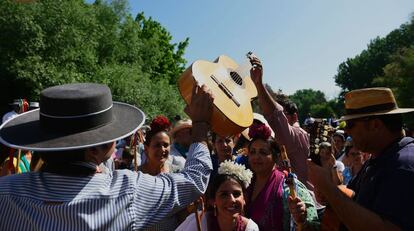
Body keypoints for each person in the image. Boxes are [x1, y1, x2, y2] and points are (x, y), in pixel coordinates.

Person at [0, 82, 214, 230]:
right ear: (94, 150)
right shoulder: (127, 191)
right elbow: (194, 181)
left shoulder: (6, 192)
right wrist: (201, 125)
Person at [307, 87, 414, 231]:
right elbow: (352, 196)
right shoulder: (379, 158)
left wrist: (327, 187)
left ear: (375, 125)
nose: (346, 131)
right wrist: (328, 179)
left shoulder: (404, 165)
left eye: (351, 124)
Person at [249, 57, 311, 189]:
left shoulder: (298, 134)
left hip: (301, 203)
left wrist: (259, 84)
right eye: (253, 152)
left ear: (294, 116)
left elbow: (276, 118)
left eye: (284, 116)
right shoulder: (276, 140)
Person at [245, 123, 319, 231]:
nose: (256, 157)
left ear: (276, 157)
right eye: (252, 152)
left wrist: (302, 219)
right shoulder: (245, 183)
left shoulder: (290, 186)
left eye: (263, 152)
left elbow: (314, 225)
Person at [176, 161, 259, 231]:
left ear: (244, 198)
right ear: (213, 201)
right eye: (224, 195)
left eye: (236, 194)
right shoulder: (199, 221)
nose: (232, 200)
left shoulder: (250, 228)